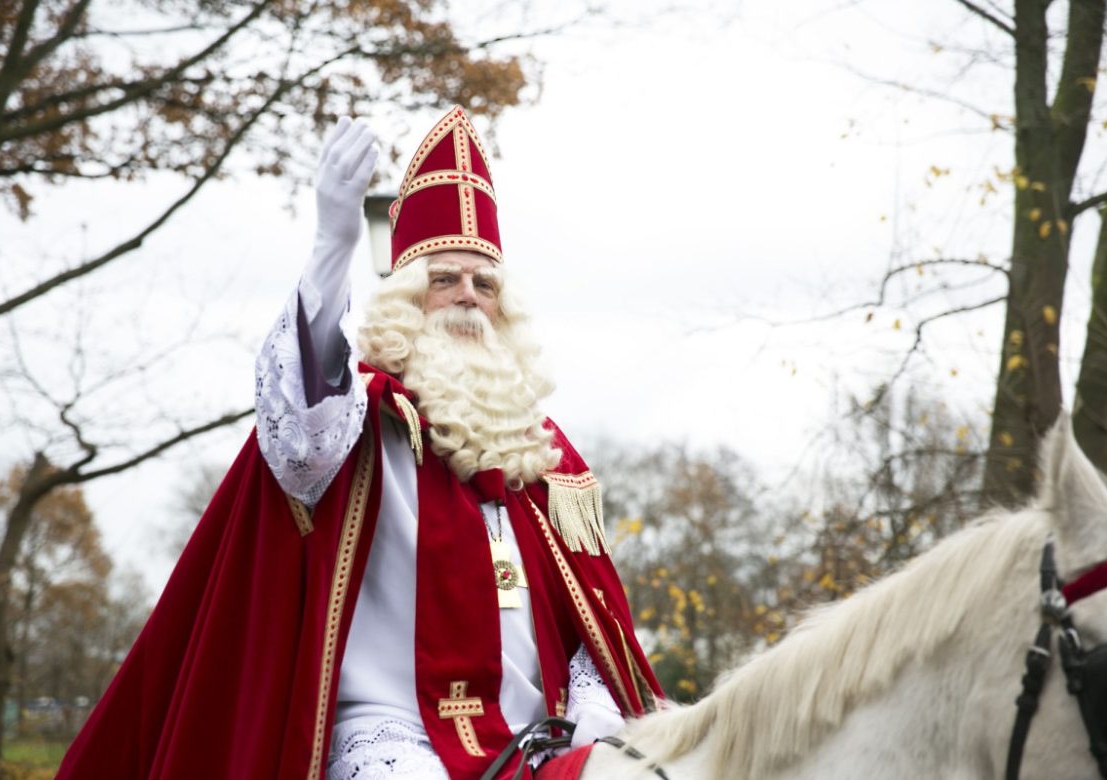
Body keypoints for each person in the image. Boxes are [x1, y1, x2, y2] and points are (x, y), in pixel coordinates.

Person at [56, 106, 661, 780]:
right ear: (406, 299)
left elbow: (594, 625)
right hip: (389, 735)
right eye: (444, 278)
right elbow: (298, 439)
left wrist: (597, 721)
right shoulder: (361, 417)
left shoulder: (546, 459)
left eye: (483, 283)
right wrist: (331, 249)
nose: (467, 296)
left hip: (538, 737)